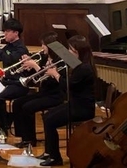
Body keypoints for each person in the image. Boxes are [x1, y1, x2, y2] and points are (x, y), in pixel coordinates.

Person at [38, 35, 97, 166]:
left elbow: (68, 87)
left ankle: (55, 158)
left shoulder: (84, 68)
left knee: (50, 121)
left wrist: (55, 74)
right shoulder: (78, 65)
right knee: (47, 117)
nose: (68, 53)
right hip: (75, 104)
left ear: (79, 52)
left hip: (82, 108)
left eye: (71, 50)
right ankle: (49, 152)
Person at [0, 18, 30, 141]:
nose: (5, 34)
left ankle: (2, 126)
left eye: (7, 31)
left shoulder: (21, 49)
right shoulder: (8, 46)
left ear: (16, 33)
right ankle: (6, 119)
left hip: (18, 84)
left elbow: (9, 60)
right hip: (7, 81)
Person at [11, 31, 64, 148]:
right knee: (17, 103)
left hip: (55, 95)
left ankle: (30, 140)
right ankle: (23, 136)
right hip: (44, 92)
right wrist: (29, 66)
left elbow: (50, 82)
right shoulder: (44, 57)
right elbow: (38, 79)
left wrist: (35, 66)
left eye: (44, 44)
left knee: (28, 107)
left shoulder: (60, 61)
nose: (42, 47)